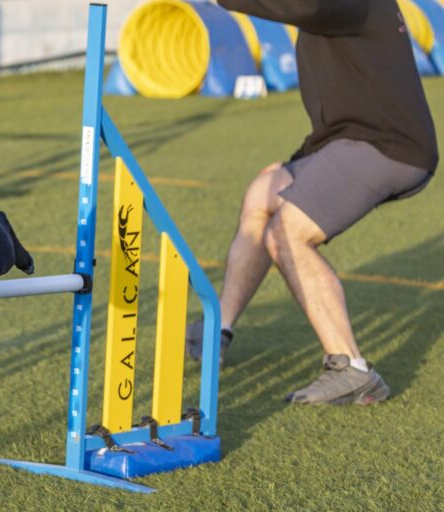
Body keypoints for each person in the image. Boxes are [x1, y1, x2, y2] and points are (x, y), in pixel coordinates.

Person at [185, 0, 437, 405]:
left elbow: (306, 9)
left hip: (388, 147)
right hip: (354, 140)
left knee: (286, 234)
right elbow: (343, 109)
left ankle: (352, 369)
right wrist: (301, 159)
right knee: (261, 194)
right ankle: (219, 331)